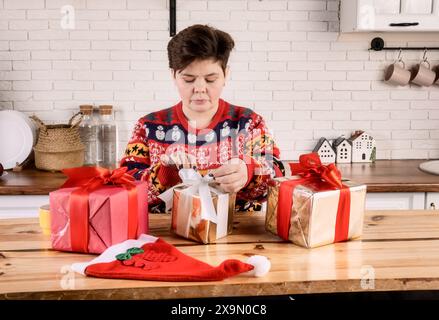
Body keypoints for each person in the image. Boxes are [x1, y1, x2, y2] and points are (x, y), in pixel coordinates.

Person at [120, 24, 284, 213]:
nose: (199, 88)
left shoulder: (248, 123)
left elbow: (277, 175)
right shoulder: (148, 127)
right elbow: (126, 187)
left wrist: (248, 172)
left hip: (238, 233)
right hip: (166, 233)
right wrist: (164, 174)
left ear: (225, 75)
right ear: (173, 75)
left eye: (210, 79)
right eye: (188, 79)